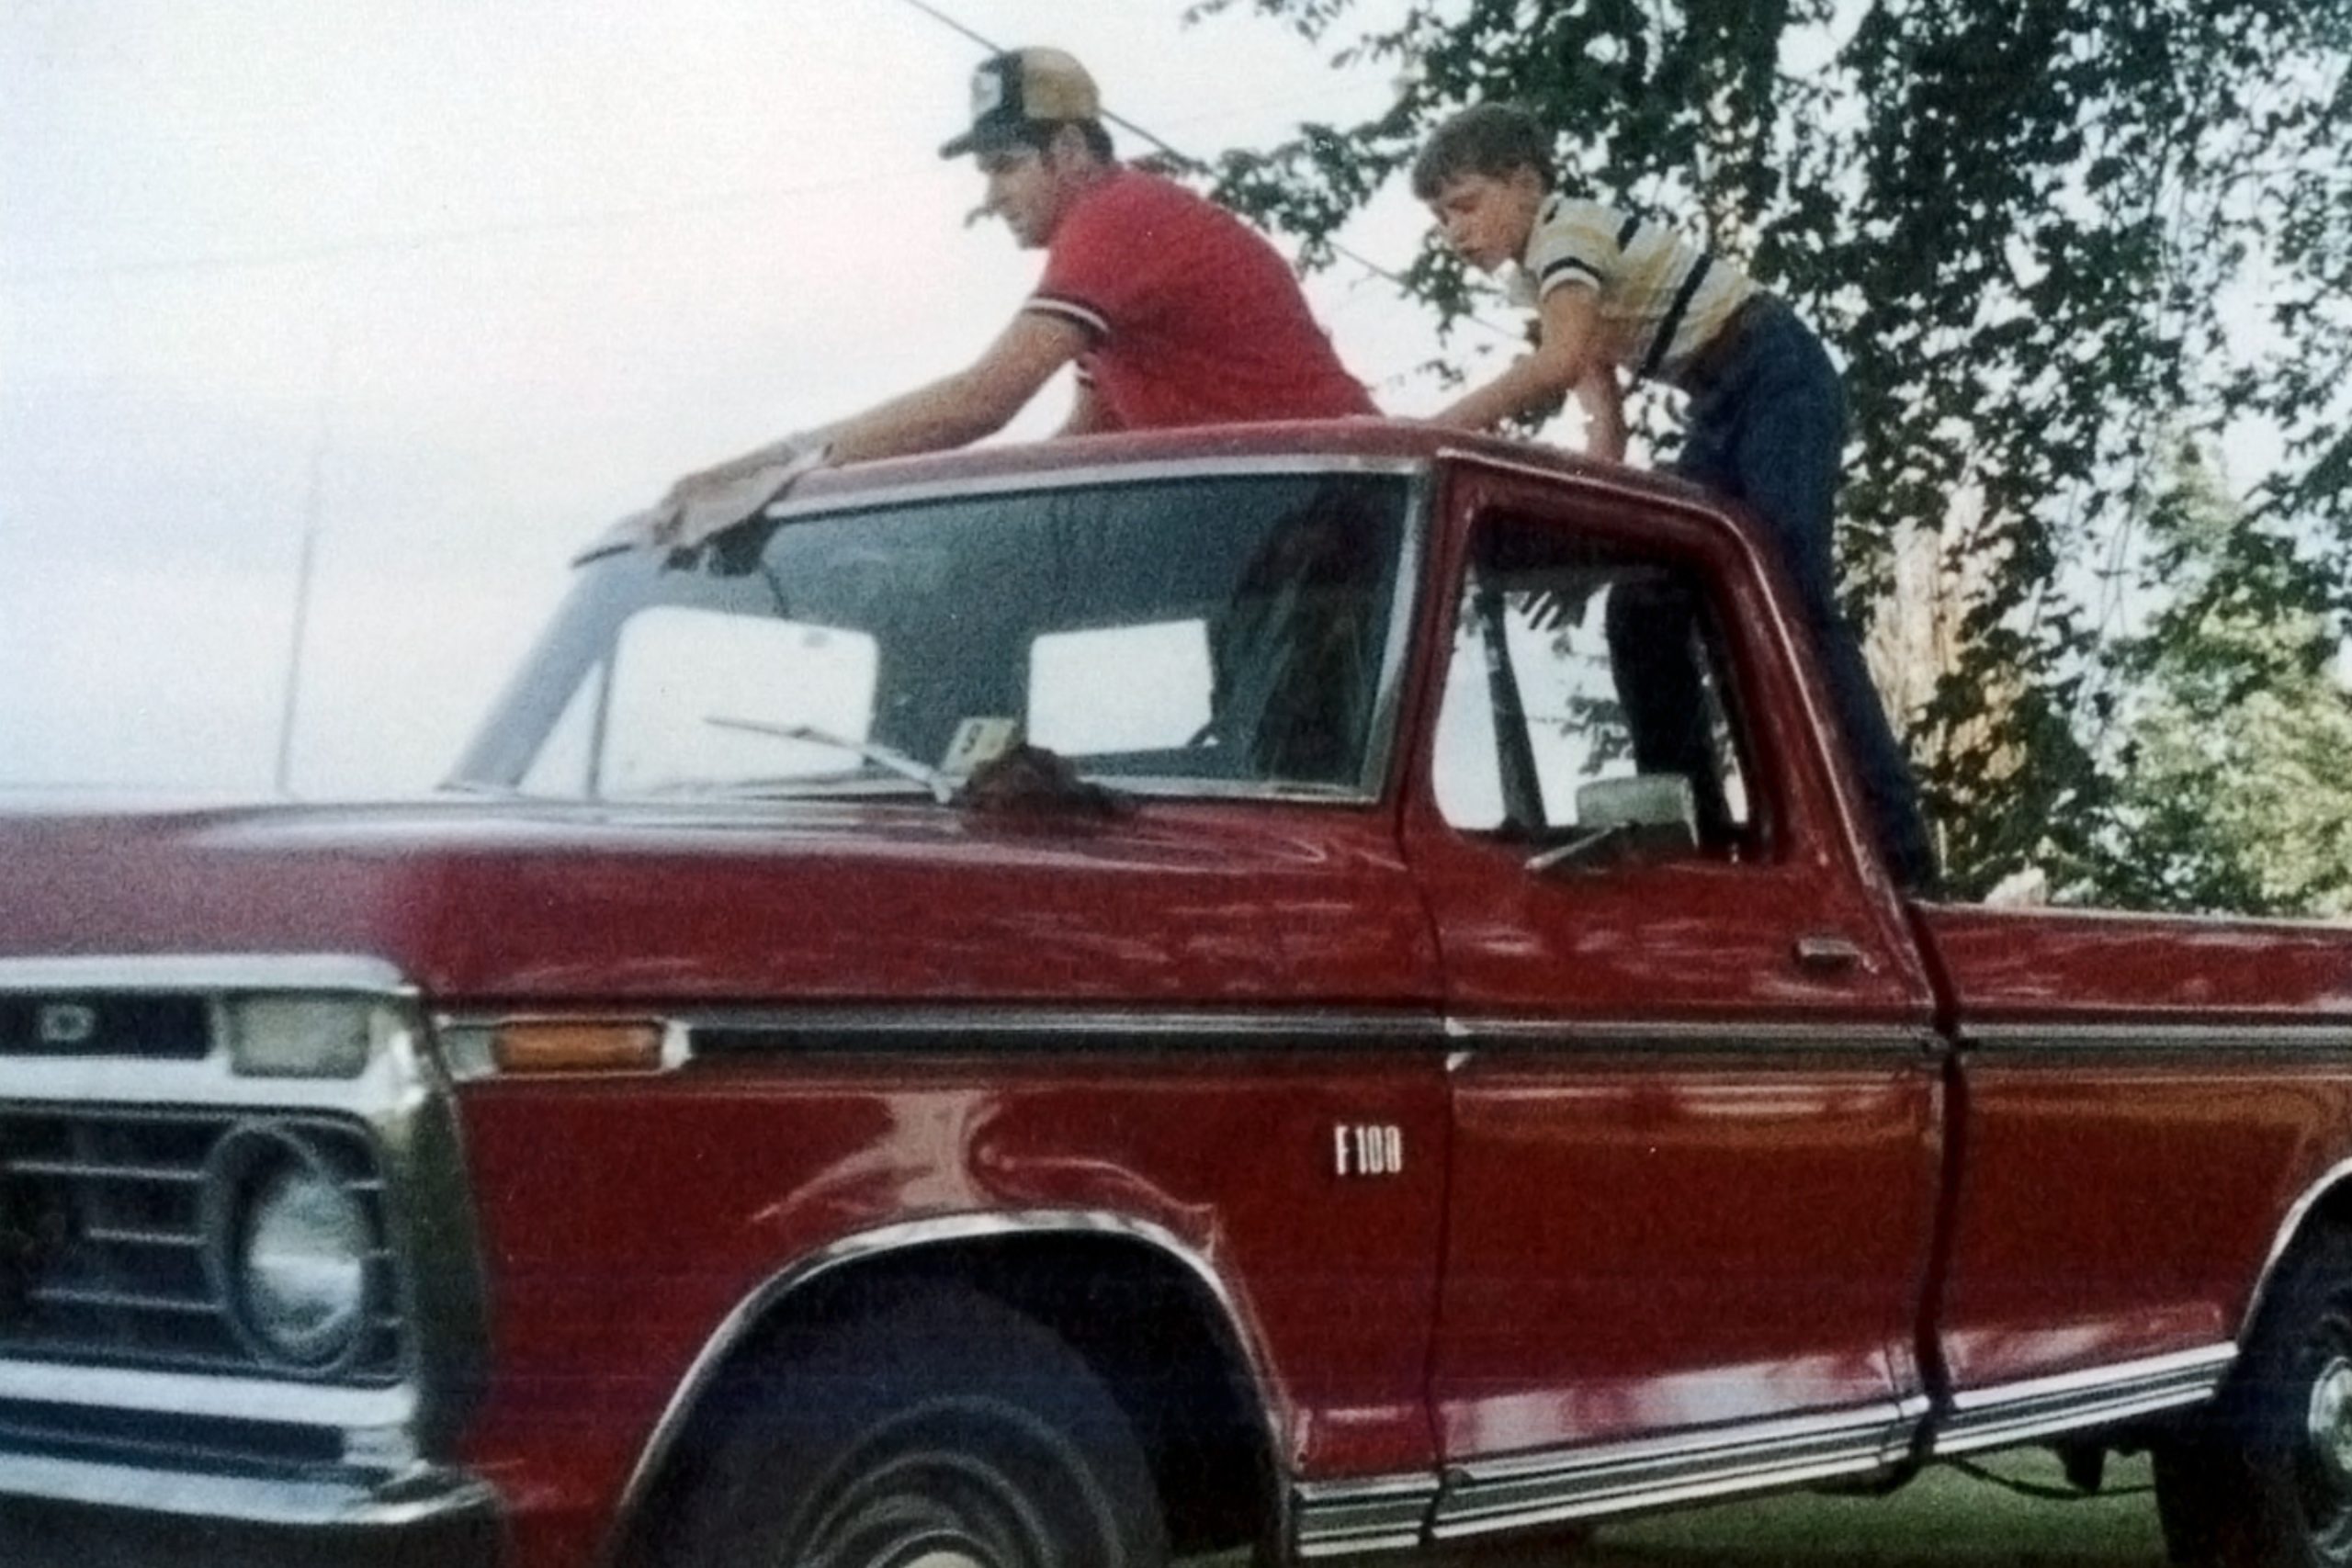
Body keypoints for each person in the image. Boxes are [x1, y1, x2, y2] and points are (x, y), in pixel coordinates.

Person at [1411, 103, 1939, 891]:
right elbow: (1603, 416)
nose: (1454, 232)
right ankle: (1693, 840)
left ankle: (1898, 855)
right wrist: (1597, 538)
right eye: (1440, 217)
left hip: (1772, 376)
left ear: (1525, 183)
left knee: (1788, 596)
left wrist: (1435, 431)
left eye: (1465, 205)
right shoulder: (1538, 279)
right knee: (1642, 604)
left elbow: (1555, 366)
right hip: (1719, 402)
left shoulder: (1567, 232)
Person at [655, 48, 1374, 538]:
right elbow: (1087, 438)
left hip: (1334, 508)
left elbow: (983, 400)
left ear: (1066, 152)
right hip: (1295, 515)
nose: (993, 195)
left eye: (1003, 166)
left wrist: (773, 469)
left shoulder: (1118, 217)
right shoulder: (1124, 239)